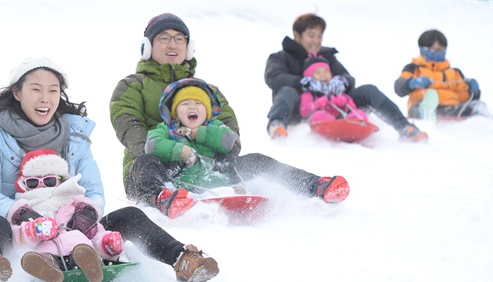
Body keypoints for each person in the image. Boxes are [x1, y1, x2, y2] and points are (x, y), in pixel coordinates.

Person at [0, 56, 219, 282]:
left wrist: (88, 213)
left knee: (128, 215)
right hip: (24, 231)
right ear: (17, 92)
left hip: (77, 223)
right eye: (36, 89)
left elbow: (93, 188)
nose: (45, 98)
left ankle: (182, 259)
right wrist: (23, 215)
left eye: (53, 90)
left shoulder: (74, 136)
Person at [109, 13, 351, 218]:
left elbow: (228, 127)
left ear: (188, 47)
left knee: (256, 160)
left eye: (179, 39)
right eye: (164, 38)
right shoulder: (131, 85)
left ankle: (315, 185)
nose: (172, 44)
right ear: (148, 46)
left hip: (207, 165)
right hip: (157, 167)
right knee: (145, 163)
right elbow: (128, 125)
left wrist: (225, 154)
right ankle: (162, 197)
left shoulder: (206, 92)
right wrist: (168, 152)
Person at [264, 13, 428, 142]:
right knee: (286, 90)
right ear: (297, 35)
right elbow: (274, 78)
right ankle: (277, 125)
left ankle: (405, 128)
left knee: (368, 90)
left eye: (319, 36)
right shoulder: (281, 57)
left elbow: (348, 78)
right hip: (301, 109)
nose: (316, 41)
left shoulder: (327, 57)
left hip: (333, 107)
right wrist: (303, 83)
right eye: (311, 35)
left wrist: (341, 82)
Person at [9, 148, 124, 282]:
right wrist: (32, 232)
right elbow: (16, 236)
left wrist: (106, 243)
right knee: (44, 257)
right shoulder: (26, 210)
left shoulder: (75, 204)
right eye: (33, 183)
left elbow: (95, 231)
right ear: (24, 185)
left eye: (49, 181)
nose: (41, 187)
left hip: (78, 246)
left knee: (82, 252)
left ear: (62, 181)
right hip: (46, 250)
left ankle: (91, 265)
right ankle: (46, 269)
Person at [145, 78, 243, 218]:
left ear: (207, 111)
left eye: (198, 103)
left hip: (215, 180)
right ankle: (165, 197)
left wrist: (200, 133)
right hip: (181, 184)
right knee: (146, 163)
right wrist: (179, 150)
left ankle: (234, 191)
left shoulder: (216, 125)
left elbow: (228, 140)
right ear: (175, 113)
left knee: (250, 161)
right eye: (185, 104)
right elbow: (152, 144)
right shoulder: (167, 129)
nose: (192, 107)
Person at [394, 29, 490, 121]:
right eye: (434, 50)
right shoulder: (413, 68)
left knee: (478, 106)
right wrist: (412, 82)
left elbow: (465, 99)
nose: (438, 53)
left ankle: (485, 127)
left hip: (452, 109)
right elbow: (399, 88)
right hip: (420, 108)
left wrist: (473, 92)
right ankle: (427, 115)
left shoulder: (455, 73)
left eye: (441, 50)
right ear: (423, 50)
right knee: (420, 107)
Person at [299, 54, 369, 124]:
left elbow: (353, 107)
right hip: (322, 120)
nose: (323, 75)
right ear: (310, 76)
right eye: (318, 73)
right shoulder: (309, 93)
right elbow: (304, 111)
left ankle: (357, 122)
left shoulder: (337, 90)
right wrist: (319, 103)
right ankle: (334, 122)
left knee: (359, 112)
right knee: (318, 116)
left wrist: (344, 101)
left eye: (326, 72)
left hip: (342, 117)